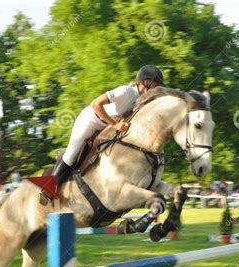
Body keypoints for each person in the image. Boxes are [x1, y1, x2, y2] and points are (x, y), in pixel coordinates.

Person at [42, 65, 164, 201]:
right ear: (146, 82)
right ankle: (48, 189)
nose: (156, 89)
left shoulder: (140, 100)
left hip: (107, 127)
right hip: (91, 119)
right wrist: (116, 124)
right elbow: (95, 104)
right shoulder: (126, 91)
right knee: (71, 154)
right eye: (156, 85)